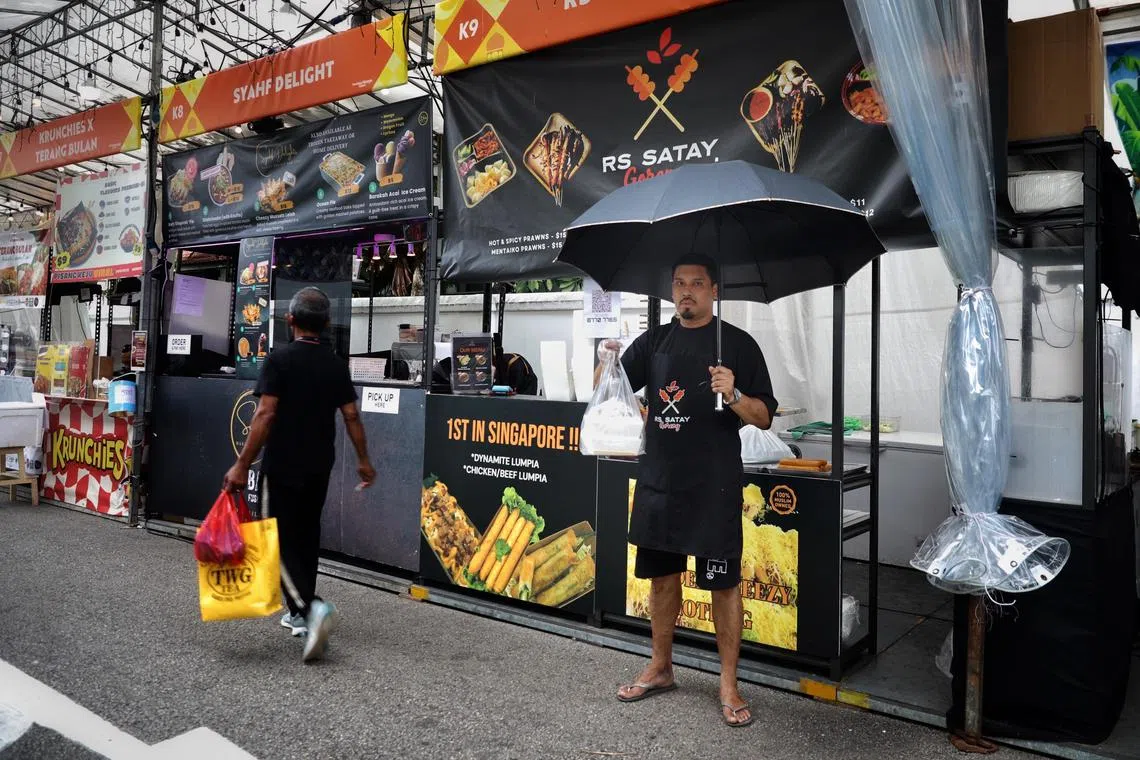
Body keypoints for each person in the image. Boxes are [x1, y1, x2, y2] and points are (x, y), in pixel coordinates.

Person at [597, 252, 777, 728]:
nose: (686, 292)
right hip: (659, 481)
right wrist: (607, 360)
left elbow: (764, 416)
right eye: (679, 283)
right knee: (660, 579)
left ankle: (729, 683)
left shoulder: (738, 345)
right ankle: (660, 668)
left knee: (723, 584)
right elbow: (606, 390)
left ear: (714, 291)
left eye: (697, 284)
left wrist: (735, 395)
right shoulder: (653, 341)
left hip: (713, 486)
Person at [224, 287, 376, 663]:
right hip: (319, 464)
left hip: (283, 464)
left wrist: (242, 463)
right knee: (305, 536)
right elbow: (352, 416)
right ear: (326, 324)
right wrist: (364, 460)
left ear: (289, 320)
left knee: (273, 539)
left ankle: (311, 611)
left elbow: (264, 414)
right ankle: (296, 612)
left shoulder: (280, 359)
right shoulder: (335, 364)